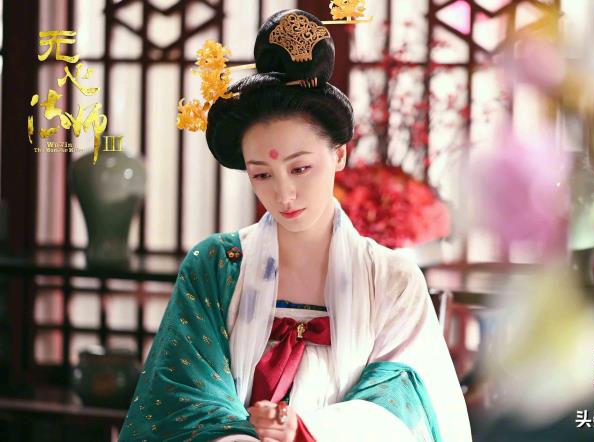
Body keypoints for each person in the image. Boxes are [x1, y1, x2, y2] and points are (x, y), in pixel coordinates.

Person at [119, 8, 471, 442]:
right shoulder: (215, 266)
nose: (284, 194)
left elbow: (403, 408)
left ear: (339, 155)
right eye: (262, 174)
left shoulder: (392, 280)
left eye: (300, 168)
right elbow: (185, 401)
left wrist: (304, 431)